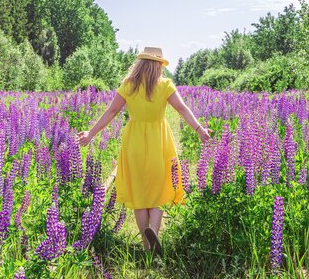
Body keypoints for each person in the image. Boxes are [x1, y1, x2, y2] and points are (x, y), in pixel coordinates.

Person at [76, 46, 212, 256]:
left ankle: (146, 246)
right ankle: (154, 233)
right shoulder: (165, 85)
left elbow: (112, 111)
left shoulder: (129, 84)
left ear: (140, 63)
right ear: (159, 65)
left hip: (134, 142)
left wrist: (90, 134)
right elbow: (182, 109)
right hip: (160, 140)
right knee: (158, 191)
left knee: (139, 193)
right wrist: (200, 130)